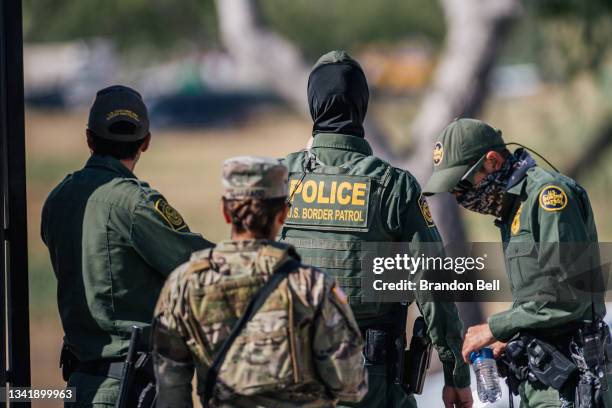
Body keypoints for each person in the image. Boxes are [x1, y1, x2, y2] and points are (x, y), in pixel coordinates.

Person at [280, 50, 472, 408]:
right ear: (363, 106)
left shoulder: (277, 179)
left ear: (313, 106)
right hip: (370, 383)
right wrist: (455, 374)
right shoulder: (393, 186)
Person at [41, 85, 213, 407]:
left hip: (81, 387)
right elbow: (199, 264)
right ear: (145, 142)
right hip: (131, 390)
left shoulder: (57, 199)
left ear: (89, 138)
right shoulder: (134, 204)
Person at [423, 118, 611, 407]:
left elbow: (569, 296)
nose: (459, 197)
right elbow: (539, 296)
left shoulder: (548, 198)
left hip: (570, 384)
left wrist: (495, 327)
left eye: (461, 184)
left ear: (493, 161)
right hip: (539, 382)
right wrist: (512, 336)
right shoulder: (513, 210)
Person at [152, 156, 367, 407]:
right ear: (284, 213)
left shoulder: (184, 283)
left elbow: (170, 388)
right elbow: (350, 384)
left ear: (225, 211)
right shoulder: (312, 286)